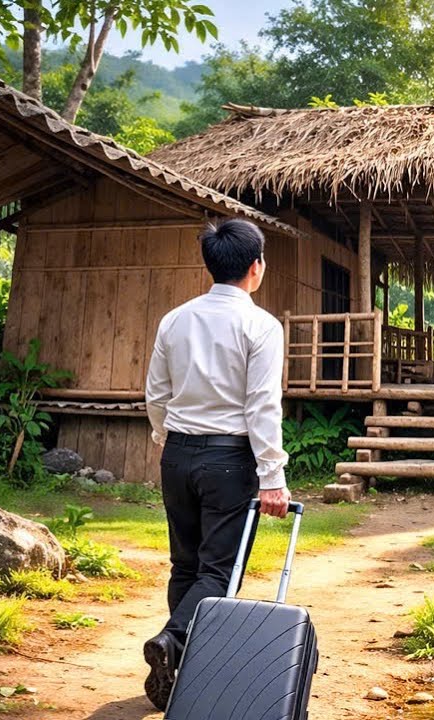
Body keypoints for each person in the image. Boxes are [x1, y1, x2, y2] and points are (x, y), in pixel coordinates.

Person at [141, 217, 292, 710]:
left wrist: (166, 437)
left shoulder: (174, 319)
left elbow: (156, 394)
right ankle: (172, 642)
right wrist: (273, 477)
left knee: (184, 564)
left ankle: (176, 669)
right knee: (219, 570)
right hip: (229, 458)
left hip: (178, 453)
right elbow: (261, 406)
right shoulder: (260, 325)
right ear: (256, 266)